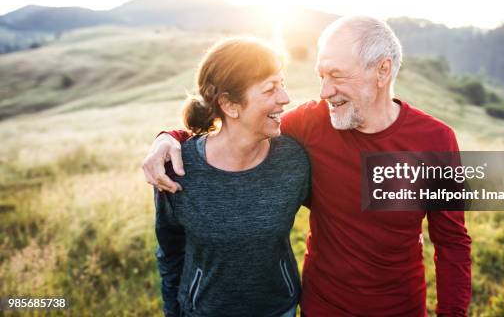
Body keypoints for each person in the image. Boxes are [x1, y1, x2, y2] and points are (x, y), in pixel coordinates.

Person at [143, 16, 472, 316]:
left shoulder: (435, 140)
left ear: (382, 71)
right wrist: (168, 137)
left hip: (401, 309)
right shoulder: (312, 123)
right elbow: (239, 127)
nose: (325, 91)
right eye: (322, 75)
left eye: (337, 76)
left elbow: (452, 244)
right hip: (321, 307)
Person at [152, 37, 310, 317]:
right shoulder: (177, 168)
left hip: (278, 310)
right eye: (270, 89)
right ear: (229, 104)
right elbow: (170, 252)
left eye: (282, 84)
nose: (285, 98)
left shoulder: (293, 160)